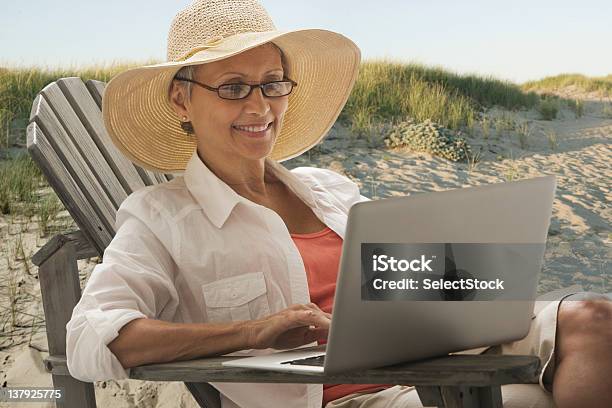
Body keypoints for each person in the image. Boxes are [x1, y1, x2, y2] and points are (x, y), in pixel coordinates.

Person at [66, 1, 612, 407]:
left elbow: (409, 285)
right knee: (530, 399)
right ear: (182, 98)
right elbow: (90, 335)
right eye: (233, 87)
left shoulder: (329, 189)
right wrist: (249, 332)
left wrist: (474, 285)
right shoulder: (160, 217)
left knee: (594, 319)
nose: (259, 106)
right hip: (356, 397)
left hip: (428, 359)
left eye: (273, 84)